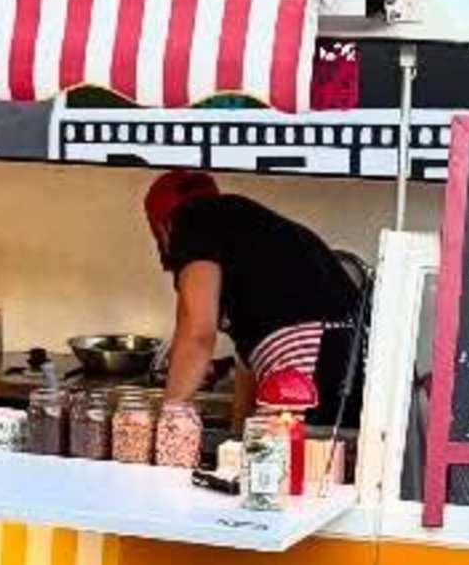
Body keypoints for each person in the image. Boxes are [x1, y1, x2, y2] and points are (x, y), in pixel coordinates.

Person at [147, 168, 364, 420]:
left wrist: (171, 415)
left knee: (286, 445)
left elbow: (197, 333)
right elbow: (247, 361)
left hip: (309, 354)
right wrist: (239, 432)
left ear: (163, 227)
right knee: (302, 444)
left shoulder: (192, 219)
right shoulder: (247, 236)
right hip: (350, 360)